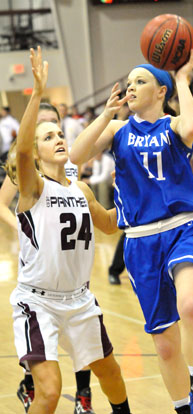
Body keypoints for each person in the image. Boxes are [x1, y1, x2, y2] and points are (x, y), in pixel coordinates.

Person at [70, 46, 193, 414]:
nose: (130, 88)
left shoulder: (173, 125)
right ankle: (185, 408)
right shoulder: (118, 130)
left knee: (192, 305)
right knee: (165, 345)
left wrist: (182, 79)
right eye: (129, 81)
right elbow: (77, 156)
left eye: (141, 81)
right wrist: (104, 116)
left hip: (183, 227)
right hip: (139, 241)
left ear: (161, 91)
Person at [8, 46, 132, 414]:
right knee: (49, 391)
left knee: (109, 370)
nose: (59, 139)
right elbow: (24, 155)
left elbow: (110, 226)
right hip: (38, 301)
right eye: (48, 137)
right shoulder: (34, 188)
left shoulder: (80, 189)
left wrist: (133, 197)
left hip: (79, 299)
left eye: (59, 133)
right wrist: (38, 93)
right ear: (35, 150)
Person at [0, 103, 96, 414]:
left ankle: (84, 395)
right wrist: (23, 227)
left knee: (83, 329)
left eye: (55, 124)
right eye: (43, 127)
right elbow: (2, 204)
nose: (52, 133)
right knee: (43, 331)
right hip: (40, 267)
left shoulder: (69, 165)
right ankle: (30, 382)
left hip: (73, 261)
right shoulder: (26, 168)